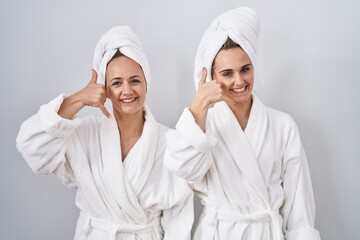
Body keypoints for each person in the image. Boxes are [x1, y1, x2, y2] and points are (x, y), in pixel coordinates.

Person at [16, 26, 193, 240]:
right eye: (116, 83)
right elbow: (30, 147)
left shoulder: (170, 142)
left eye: (135, 80)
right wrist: (78, 99)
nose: (127, 90)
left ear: (147, 83)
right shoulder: (83, 134)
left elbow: (178, 220)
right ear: (105, 90)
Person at [164, 7, 321, 240]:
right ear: (212, 78)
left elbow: (299, 205)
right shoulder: (203, 125)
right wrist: (199, 103)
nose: (239, 81)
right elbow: (183, 170)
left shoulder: (282, 125)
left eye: (245, 69)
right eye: (227, 73)